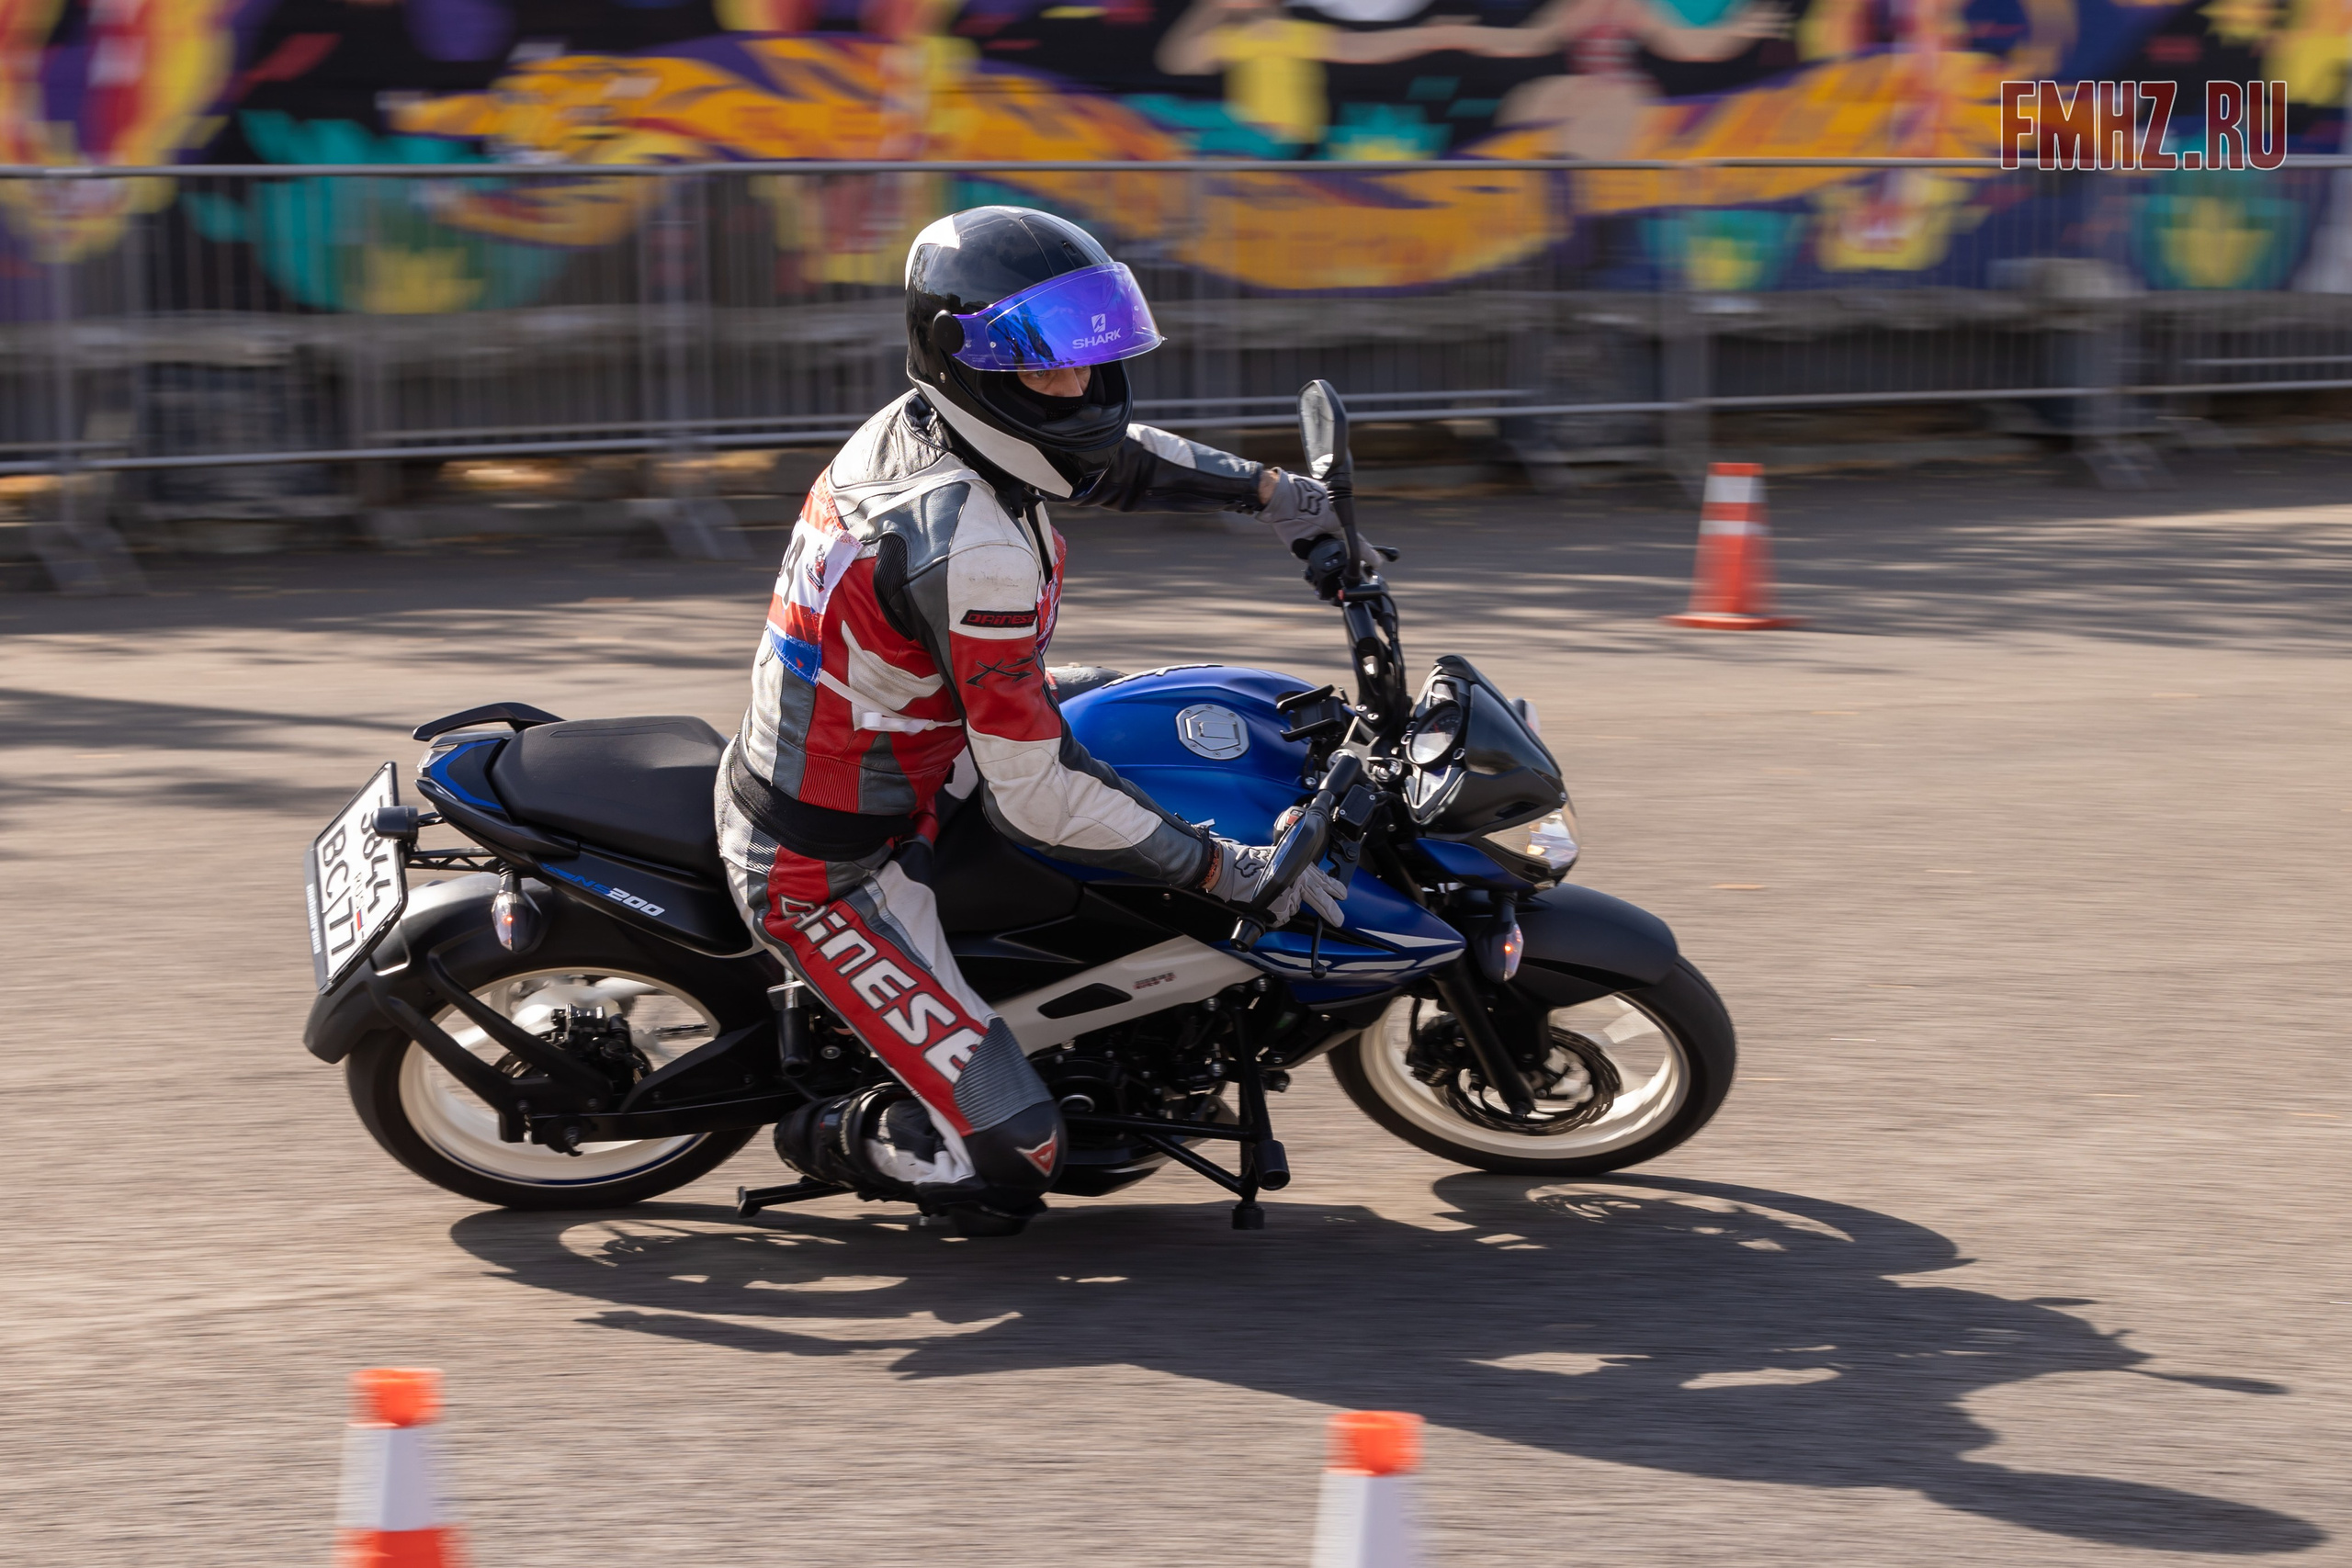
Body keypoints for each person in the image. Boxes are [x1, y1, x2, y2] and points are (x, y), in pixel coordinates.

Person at [718, 205, 1358, 1237]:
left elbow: (1120, 458)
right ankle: (837, 1131)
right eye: (1039, 359)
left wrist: (1276, 494)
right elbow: (1038, 793)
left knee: (1138, 713)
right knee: (1021, 1156)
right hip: (831, 864)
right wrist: (1223, 869)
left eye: (1084, 348)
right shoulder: (969, 547)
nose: (1075, 380)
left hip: (909, 746)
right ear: (962, 358)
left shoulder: (938, 428)